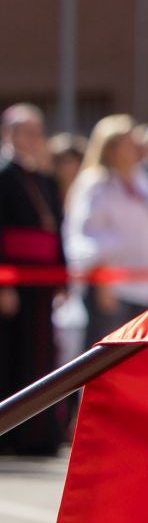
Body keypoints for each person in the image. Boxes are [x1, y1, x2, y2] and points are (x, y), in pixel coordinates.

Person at [64, 115, 148, 342]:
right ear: (111, 149)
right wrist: (103, 279)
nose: (136, 149)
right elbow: (86, 236)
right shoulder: (95, 184)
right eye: (129, 143)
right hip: (113, 292)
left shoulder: (145, 183)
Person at [0, 104, 66, 455]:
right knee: (11, 354)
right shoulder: (3, 174)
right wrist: (4, 282)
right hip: (13, 280)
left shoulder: (44, 178)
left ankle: (38, 434)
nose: (34, 140)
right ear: (9, 134)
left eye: (38, 132)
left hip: (41, 282)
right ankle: (10, 434)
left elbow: (57, 231)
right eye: (27, 132)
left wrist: (62, 275)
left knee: (40, 356)